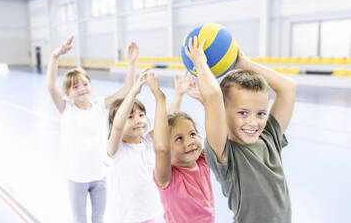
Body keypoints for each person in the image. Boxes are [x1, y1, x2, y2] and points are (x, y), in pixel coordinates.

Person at [185, 36, 296, 223]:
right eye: (243, 113)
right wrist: (200, 63)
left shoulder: (269, 137)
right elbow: (213, 96)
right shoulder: (224, 153)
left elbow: (288, 88)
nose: (253, 122)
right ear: (223, 111)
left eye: (261, 113)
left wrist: (242, 63)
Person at [46, 35, 138, 223]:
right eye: (75, 87)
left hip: (99, 175)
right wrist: (55, 56)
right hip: (76, 177)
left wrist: (131, 63)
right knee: (80, 219)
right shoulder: (66, 109)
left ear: (91, 86)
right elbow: (50, 87)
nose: (81, 89)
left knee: (99, 218)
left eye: (85, 84)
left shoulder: (99, 105)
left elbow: (127, 89)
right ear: (68, 94)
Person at [106, 71, 198, 223]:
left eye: (141, 115)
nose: (138, 120)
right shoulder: (116, 149)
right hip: (126, 218)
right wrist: (134, 92)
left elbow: (167, 122)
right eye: (130, 117)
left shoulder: (148, 142)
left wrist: (179, 95)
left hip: (149, 214)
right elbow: (117, 126)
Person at [146, 71, 215, 223]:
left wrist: (204, 101)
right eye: (179, 139)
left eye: (192, 134)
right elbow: (162, 150)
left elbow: (217, 128)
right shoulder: (168, 177)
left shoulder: (202, 161)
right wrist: (160, 99)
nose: (189, 142)